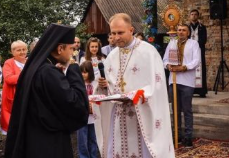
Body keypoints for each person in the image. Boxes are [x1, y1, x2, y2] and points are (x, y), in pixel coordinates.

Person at [95, 13, 174, 158]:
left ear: (131, 30)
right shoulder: (111, 57)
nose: (116, 37)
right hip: (119, 119)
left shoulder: (148, 52)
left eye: (120, 33)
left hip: (141, 118)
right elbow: (109, 87)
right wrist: (103, 86)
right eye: (113, 33)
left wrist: (140, 94)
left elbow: (157, 86)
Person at [4, 23, 89, 158]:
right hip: (50, 142)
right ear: (60, 48)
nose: (72, 53)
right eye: (71, 49)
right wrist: (73, 69)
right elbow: (76, 105)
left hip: (33, 138)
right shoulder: (48, 72)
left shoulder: (37, 67)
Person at [163, 24, 201, 148]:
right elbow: (165, 60)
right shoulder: (172, 43)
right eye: (179, 30)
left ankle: (188, 136)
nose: (181, 32)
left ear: (188, 32)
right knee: (175, 109)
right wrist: (168, 66)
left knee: (187, 110)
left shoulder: (193, 44)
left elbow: (196, 60)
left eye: (184, 30)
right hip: (173, 80)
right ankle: (177, 135)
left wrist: (184, 67)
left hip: (187, 81)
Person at [0, 40, 27, 135]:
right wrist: (26, 75)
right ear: (12, 52)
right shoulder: (9, 63)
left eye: (24, 49)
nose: (22, 52)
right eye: (18, 50)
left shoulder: (29, 62)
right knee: (13, 126)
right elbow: (9, 79)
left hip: (27, 97)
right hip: (12, 98)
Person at [77, 61, 98, 158]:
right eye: (81, 72)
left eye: (85, 72)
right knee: (82, 140)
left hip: (93, 116)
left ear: (90, 72)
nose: (83, 74)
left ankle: (93, 155)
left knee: (93, 139)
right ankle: (84, 156)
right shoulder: (78, 83)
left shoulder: (95, 83)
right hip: (82, 116)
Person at [188, 9, 207, 97]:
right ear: (190, 16)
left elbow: (204, 39)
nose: (194, 16)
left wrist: (196, 45)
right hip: (189, 51)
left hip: (199, 50)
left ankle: (201, 91)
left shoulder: (202, 27)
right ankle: (191, 89)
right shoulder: (187, 27)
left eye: (195, 14)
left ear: (198, 16)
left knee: (201, 68)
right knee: (190, 68)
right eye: (192, 14)